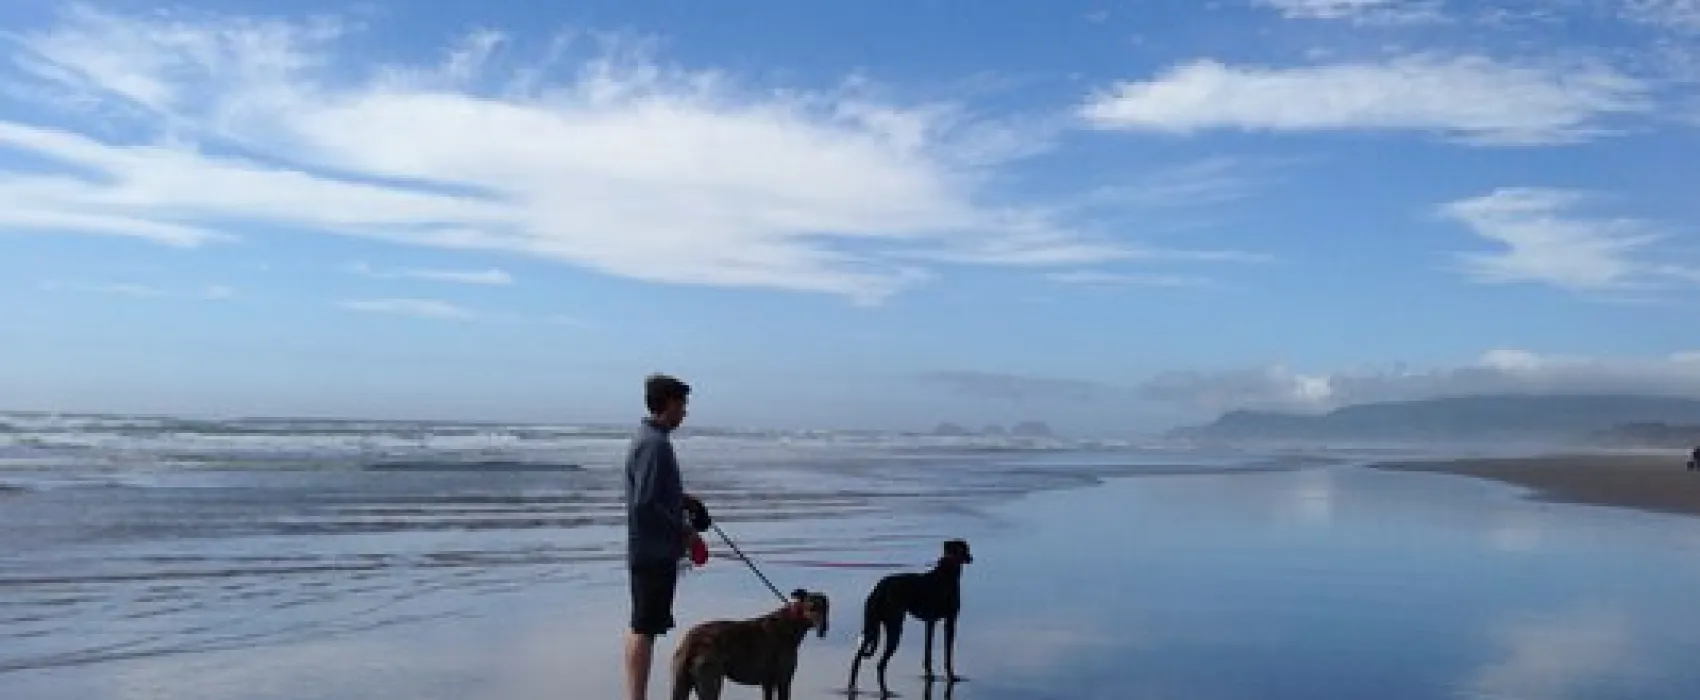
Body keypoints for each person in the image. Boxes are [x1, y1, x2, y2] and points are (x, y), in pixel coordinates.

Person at [624, 372, 711, 700]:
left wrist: (688, 502)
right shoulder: (654, 444)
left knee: (646, 625)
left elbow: (657, 495)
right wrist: (685, 532)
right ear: (668, 404)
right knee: (644, 627)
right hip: (651, 550)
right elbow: (646, 503)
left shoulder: (653, 440)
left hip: (653, 549)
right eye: (682, 404)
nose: (685, 412)